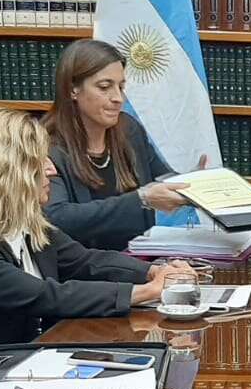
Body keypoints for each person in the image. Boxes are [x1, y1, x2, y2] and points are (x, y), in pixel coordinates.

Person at [0, 106, 192, 359]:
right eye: (39, 160)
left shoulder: (24, 223)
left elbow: (85, 261)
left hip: (25, 356)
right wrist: (145, 292)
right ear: (3, 173)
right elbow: (45, 296)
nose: (52, 170)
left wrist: (154, 272)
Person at [43, 39, 198, 249]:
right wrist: (141, 199)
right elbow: (56, 218)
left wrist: (197, 184)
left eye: (121, 86)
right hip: (82, 265)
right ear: (72, 90)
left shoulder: (128, 130)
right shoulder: (46, 145)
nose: (118, 98)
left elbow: (162, 178)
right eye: (105, 87)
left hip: (138, 256)